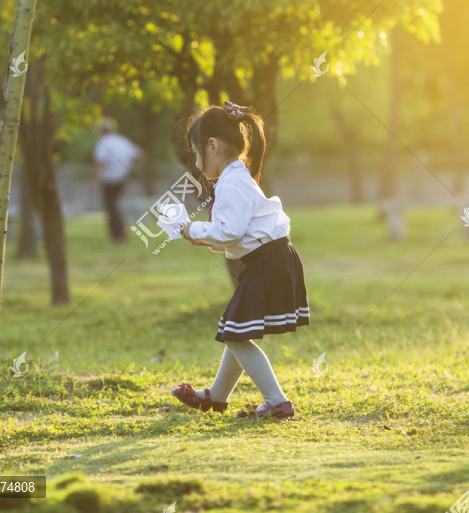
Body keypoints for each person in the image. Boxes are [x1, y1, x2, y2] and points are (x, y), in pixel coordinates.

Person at [173, 101, 309, 419]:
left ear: (213, 146)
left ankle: (276, 401)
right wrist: (202, 236)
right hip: (270, 260)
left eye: (195, 154)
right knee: (237, 330)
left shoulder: (233, 184)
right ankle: (217, 397)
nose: (195, 163)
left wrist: (192, 228)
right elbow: (234, 236)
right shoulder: (235, 179)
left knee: (233, 332)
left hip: (269, 264)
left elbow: (229, 232)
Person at [93, 117, 143, 243]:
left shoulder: (103, 142)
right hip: (122, 178)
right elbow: (139, 154)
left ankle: (117, 234)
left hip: (109, 179)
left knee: (111, 207)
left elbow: (101, 163)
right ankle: (121, 231)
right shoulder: (122, 141)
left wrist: (95, 182)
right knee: (115, 205)